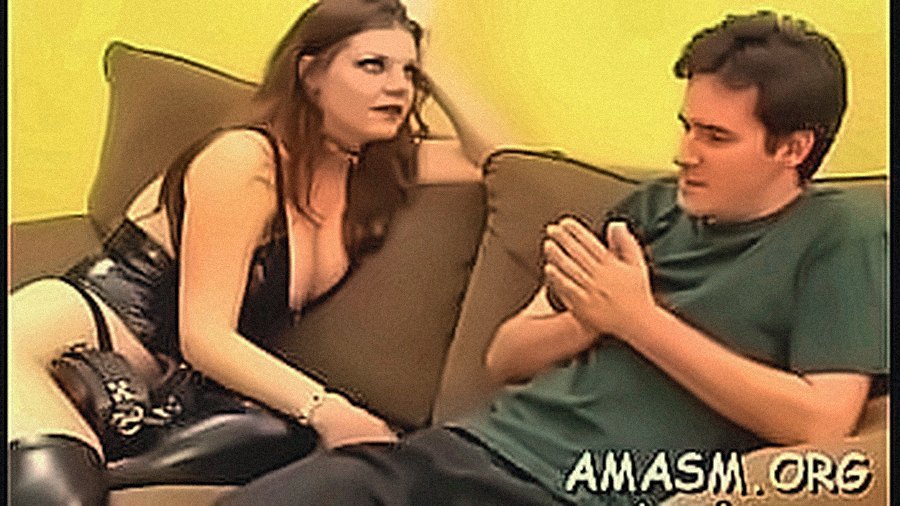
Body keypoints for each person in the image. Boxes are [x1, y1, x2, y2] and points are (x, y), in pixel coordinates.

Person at [216, 10, 886, 506]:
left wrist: (637, 320)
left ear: (792, 148)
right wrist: (586, 319)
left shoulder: (842, 233)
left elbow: (823, 422)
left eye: (715, 137)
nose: (685, 153)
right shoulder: (652, 208)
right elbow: (507, 355)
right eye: (687, 126)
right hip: (470, 452)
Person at [8, 0, 513, 504]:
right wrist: (329, 408)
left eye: (408, 73)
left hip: (154, 395)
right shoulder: (246, 160)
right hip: (54, 344)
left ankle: (110, 464)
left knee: (282, 439)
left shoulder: (375, 172)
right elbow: (205, 336)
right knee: (58, 498)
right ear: (310, 75)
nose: (398, 86)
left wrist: (435, 62)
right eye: (372, 65)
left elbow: (508, 162)